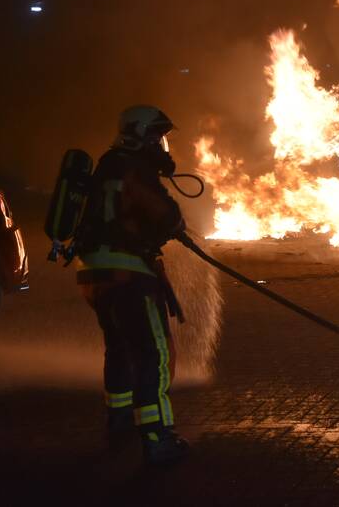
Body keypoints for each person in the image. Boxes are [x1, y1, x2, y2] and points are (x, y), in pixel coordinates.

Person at [75, 105, 189, 463]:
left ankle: (119, 421)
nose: (160, 144)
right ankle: (158, 440)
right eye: (156, 136)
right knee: (152, 355)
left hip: (96, 277)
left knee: (119, 349)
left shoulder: (106, 165)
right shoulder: (135, 169)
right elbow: (168, 217)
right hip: (130, 277)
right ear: (139, 135)